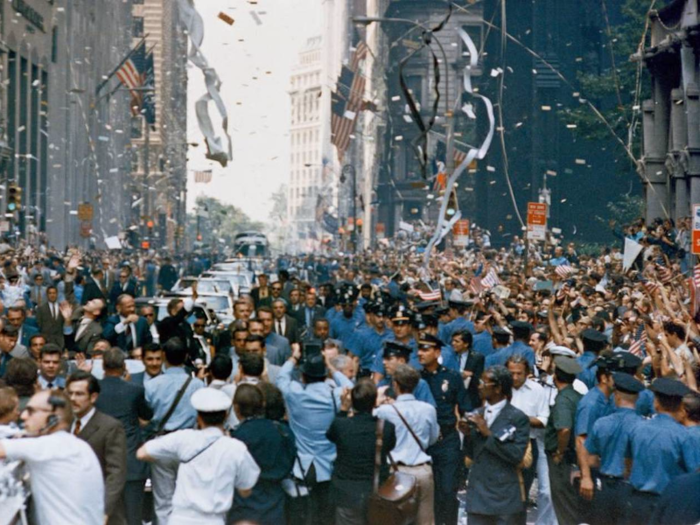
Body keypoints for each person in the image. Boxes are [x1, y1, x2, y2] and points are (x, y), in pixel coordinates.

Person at [137, 388, 261, 525]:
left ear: (198, 417)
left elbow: (142, 453)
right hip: (214, 520)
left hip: (180, 519)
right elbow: (245, 489)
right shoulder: (236, 448)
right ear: (226, 416)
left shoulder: (184, 438)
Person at [0, 389, 105, 524]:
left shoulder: (50, 445)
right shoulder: (77, 446)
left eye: (31, 411)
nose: (24, 416)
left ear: (53, 418)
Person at [275, 343, 353, 524]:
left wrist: (294, 356)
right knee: (326, 513)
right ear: (325, 375)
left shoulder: (294, 393)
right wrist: (332, 367)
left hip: (302, 464)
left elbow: (281, 378)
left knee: (304, 514)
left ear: (303, 375)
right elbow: (350, 386)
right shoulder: (334, 394)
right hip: (329, 463)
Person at [145, 337, 205, 524]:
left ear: (163, 356)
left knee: (163, 500)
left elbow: (147, 416)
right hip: (189, 443)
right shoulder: (197, 385)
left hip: (162, 442)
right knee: (189, 497)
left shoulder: (151, 385)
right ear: (186, 356)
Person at [623, 378, 700, 524]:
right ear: (680, 406)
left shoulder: (636, 428)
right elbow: (693, 477)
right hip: (669, 504)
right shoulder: (684, 436)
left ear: (656, 403)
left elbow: (628, 463)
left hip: (636, 501)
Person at [461, 365, 530, 525]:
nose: (479, 386)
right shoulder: (477, 413)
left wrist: (488, 434)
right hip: (478, 492)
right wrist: (468, 435)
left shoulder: (517, 418)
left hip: (503, 495)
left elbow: (516, 455)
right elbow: (471, 455)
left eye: (484, 383)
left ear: (498, 388)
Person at [375, 364, 439, 525]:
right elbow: (432, 439)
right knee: (426, 521)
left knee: (393, 520)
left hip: (397, 472)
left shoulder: (385, 411)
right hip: (423, 470)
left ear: (395, 384)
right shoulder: (428, 409)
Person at [96, 348, 154, 525]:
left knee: (104, 516)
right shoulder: (135, 390)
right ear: (123, 366)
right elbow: (148, 414)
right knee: (133, 516)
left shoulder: (94, 389)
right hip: (130, 461)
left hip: (102, 461)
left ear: (103, 366)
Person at [327, 380, 397, 524]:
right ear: (374, 403)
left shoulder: (341, 425)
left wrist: (343, 409)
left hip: (346, 492)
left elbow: (330, 435)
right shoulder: (387, 428)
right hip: (376, 490)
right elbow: (390, 447)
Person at [418, 333, 469, 525]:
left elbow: (465, 407)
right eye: (420, 349)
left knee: (447, 491)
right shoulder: (415, 378)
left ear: (437, 352)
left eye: (426, 349)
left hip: (446, 440)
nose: (421, 353)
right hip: (421, 442)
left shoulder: (452, 377)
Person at [229, 383, 297, 525]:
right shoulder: (283, 431)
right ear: (262, 404)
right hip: (276, 504)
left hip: (245, 506)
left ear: (236, 409)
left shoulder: (237, 437)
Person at [67, 370, 128, 525]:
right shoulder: (64, 425)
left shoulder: (110, 426)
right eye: (70, 393)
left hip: (98, 509)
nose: (73, 399)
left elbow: (116, 472)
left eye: (79, 394)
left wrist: (104, 510)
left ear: (93, 397)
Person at [584, 372, 644, 525]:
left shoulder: (601, 423)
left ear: (616, 396)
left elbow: (591, 460)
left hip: (604, 487)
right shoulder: (643, 426)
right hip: (631, 489)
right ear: (636, 398)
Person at [507, 355, 553, 524]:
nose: (515, 377)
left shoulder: (537, 390)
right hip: (502, 445)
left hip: (526, 445)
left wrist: (522, 419)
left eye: (519, 373)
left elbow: (544, 419)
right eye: (511, 373)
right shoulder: (501, 388)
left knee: (521, 494)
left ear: (527, 373)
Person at [545, 356, 584, 525]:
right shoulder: (577, 396)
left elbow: (564, 429)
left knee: (564, 506)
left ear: (555, 376)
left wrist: (559, 453)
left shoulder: (563, 400)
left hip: (563, 458)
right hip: (575, 456)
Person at [450, 329, 485, 411]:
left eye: (457, 341)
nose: (453, 343)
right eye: (452, 341)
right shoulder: (450, 356)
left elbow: (478, 379)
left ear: (466, 344)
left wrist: (471, 375)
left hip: (469, 397)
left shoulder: (477, 358)